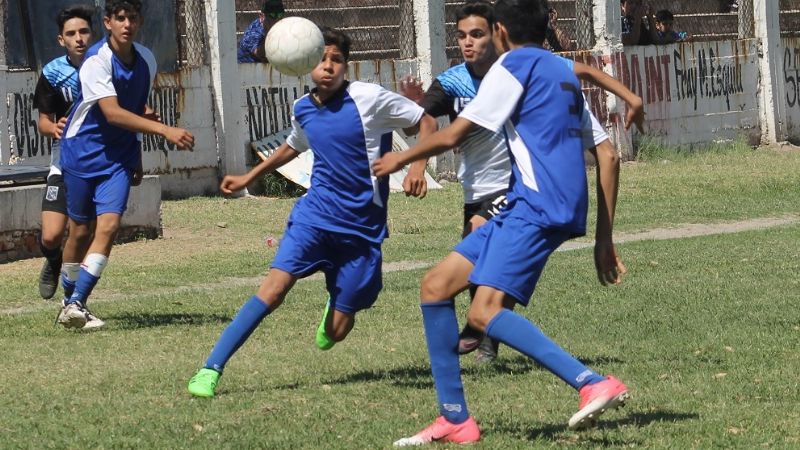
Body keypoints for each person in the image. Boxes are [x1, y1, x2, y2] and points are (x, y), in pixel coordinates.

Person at [374, 0, 633, 444]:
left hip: (536, 207)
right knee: (436, 285)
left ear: (499, 31)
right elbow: (608, 154)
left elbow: (455, 133)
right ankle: (454, 418)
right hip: (529, 205)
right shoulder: (558, 71)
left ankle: (591, 382)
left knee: (484, 311)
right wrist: (603, 239)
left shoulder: (511, 67)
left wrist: (403, 158)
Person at [186, 27, 436, 398]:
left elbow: (426, 122)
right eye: (322, 59)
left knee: (336, 332)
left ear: (346, 66)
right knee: (272, 291)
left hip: (361, 231)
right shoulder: (303, 108)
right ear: (306, 63)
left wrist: (417, 167)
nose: (328, 66)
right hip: (314, 218)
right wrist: (249, 176)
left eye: (337, 60)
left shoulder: (369, 98)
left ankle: (337, 301)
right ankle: (211, 368)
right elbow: (293, 145)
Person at [56, 0, 194, 329]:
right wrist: (165, 130)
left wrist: (137, 155)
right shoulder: (96, 60)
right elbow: (113, 113)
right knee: (80, 232)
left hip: (117, 158)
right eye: (120, 18)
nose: (127, 25)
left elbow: (135, 108)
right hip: (81, 151)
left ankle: (77, 302)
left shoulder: (146, 59)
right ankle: (67, 298)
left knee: (109, 226)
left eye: (132, 18)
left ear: (140, 21)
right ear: (108, 23)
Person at [34, 5, 96, 301]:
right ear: (61, 40)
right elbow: (43, 122)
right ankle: (53, 259)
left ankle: (75, 295)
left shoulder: (104, 66)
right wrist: (54, 128)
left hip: (96, 161)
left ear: (93, 34)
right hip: (63, 160)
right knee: (50, 236)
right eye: (71, 34)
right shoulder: (52, 73)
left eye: (84, 31)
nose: (78, 38)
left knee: (83, 232)